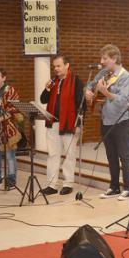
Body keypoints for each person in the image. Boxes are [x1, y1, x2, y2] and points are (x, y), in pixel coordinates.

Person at [85, 44, 129, 201]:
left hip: (121, 120)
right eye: (102, 58)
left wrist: (106, 92)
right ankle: (114, 186)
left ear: (114, 58)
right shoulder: (103, 72)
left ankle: (128, 187)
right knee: (111, 155)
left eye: (105, 58)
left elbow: (123, 101)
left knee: (124, 155)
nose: (102, 61)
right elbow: (91, 85)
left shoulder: (125, 76)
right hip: (106, 119)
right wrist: (88, 91)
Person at [39, 55, 85, 196]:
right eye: (54, 66)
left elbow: (81, 104)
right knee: (53, 155)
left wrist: (79, 124)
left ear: (67, 65)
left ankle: (68, 183)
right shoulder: (53, 81)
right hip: (53, 123)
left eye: (58, 66)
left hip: (69, 124)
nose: (56, 69)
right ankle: (52, 185)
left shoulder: (76, 81)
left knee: (69, 155)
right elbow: (43, 100)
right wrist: (47, 89)